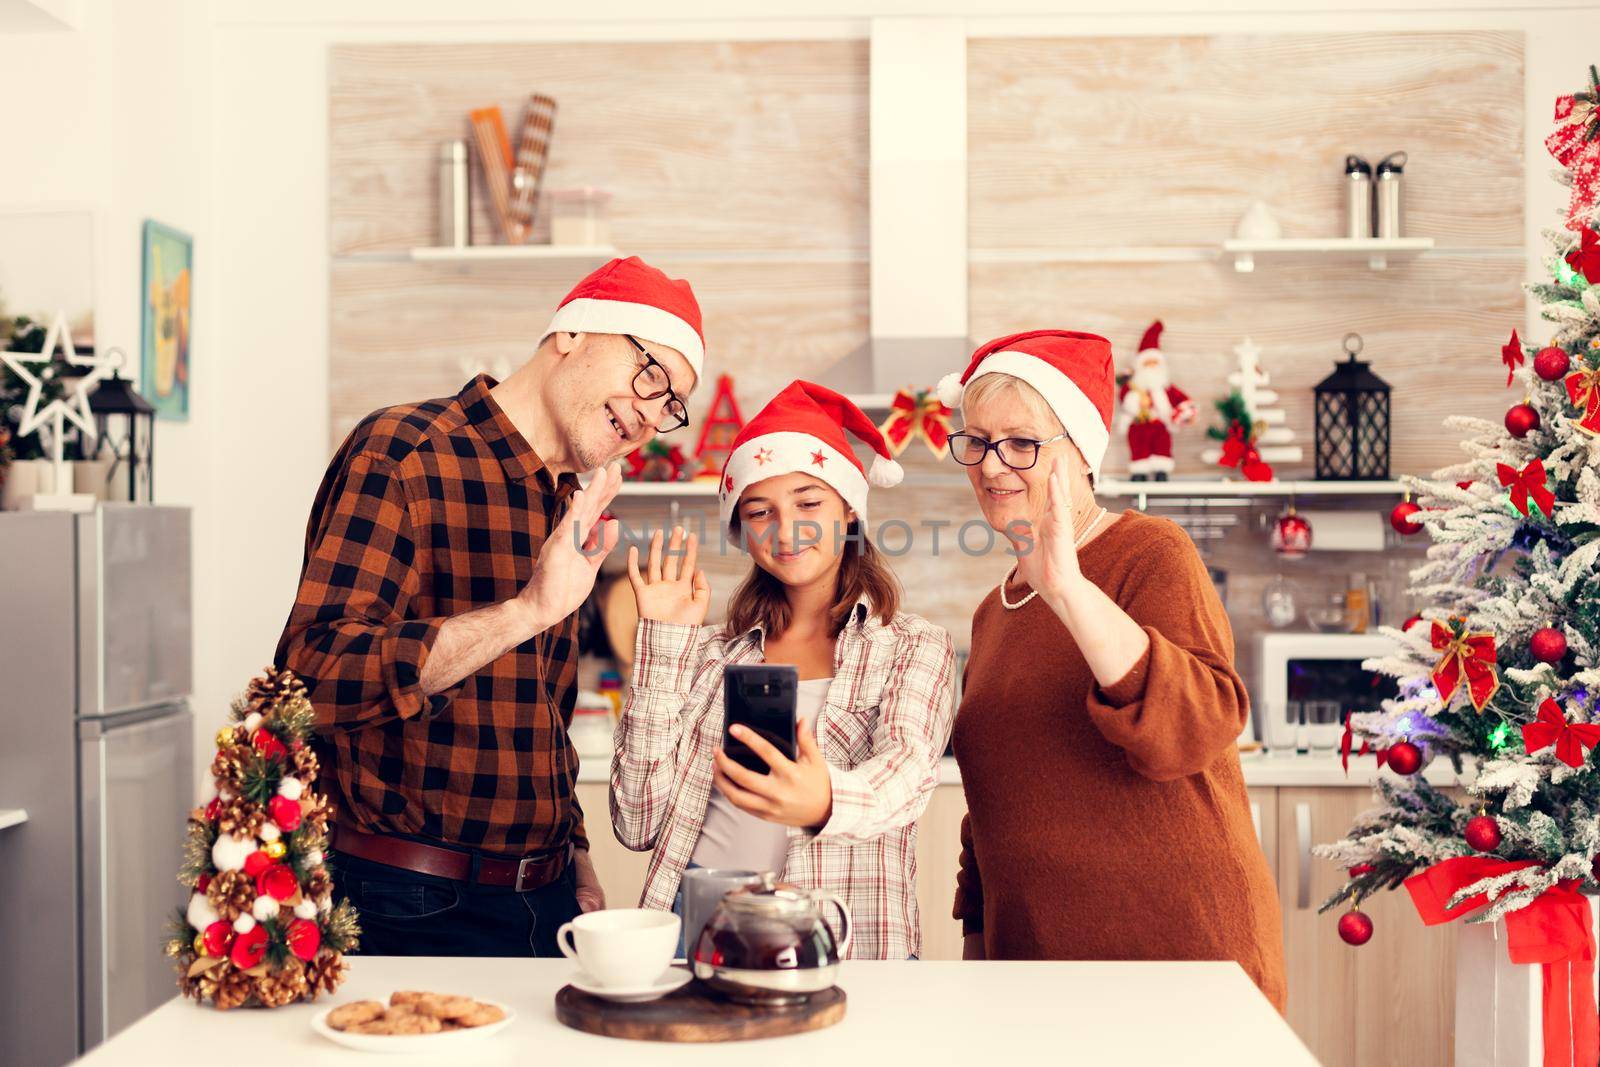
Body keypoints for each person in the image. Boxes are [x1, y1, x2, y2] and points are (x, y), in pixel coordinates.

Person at [274, 256, 703, 957]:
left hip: (547, 899)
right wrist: (524, 611)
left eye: (670, 405)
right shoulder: (405, 453)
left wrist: (575, 846)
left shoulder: (569, 501)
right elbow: (311, 679)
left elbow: (537, 717)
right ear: (571, 334)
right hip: (407, 904)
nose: (651, 416)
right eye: (650, 375)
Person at [935, 330, 1286, 1010]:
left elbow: (1195, 727)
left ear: (1078, 455)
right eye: (975, 441)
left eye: (1021, 442)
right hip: (1039, 981)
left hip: (1180, 965)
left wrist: (1068, 588)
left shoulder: (1151, 552)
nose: (991, 464)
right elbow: (991, 820)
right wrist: (979, 967)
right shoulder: (993, 610)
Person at [611, 381, 956, 961]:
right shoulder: (711, 654)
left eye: (808, 502)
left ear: (849, 510)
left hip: (841, 943)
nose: (786, 527)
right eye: (760, 511)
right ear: (742, 532)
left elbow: (908, 774)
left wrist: (820, 799)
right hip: (697, 932)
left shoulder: (913, 646)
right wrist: (664, 645)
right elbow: (636, 821)